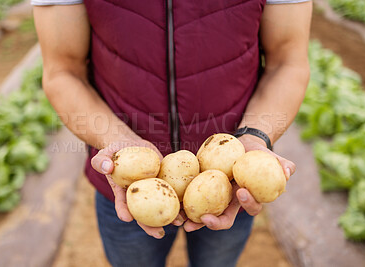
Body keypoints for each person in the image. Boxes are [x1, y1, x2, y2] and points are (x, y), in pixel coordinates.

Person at [33, 0, 312, 266]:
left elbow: (287, 62)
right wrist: (116, 142)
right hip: (129, 187)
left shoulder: (230, 179)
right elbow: (62, 72)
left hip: (230, 187)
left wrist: (254, 136)